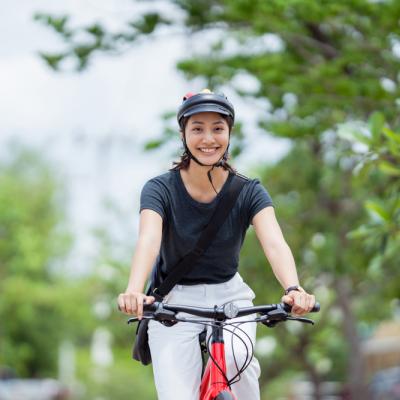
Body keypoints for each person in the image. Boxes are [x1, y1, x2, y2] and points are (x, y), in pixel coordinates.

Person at [118, 89, 316, 400]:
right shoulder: (160, 189)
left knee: (240, 362)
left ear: (229, 133)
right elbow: (149, 238)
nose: (208, 138)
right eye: (197, 128)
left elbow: (275, 243)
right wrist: (134, 289)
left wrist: (294, 288)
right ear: (183, 133)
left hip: (230, 298)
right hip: (174, 304)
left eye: (218, 128)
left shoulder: (249, 191)